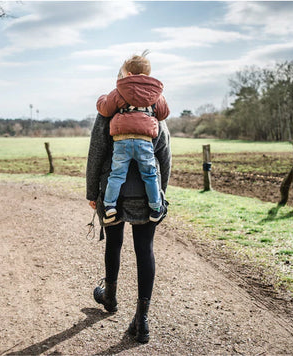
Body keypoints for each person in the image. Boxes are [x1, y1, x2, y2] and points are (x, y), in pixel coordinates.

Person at [86, 58, 171, 343]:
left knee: (114, 242)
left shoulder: (109, 109)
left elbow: (96, 153)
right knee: (145, 249)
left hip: (114, 194)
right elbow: (164, 155)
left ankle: (109, 297)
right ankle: (142, 320)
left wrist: (91, 194)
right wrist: (161, 194)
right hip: (148, 196)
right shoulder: (156, 108)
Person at [96, 52, 170, 224]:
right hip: (144, 141)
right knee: (150, 175)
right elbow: (164, 114)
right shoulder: (155, 94)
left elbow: (106, 109)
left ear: (128, 74)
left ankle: (109, 206)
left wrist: (102, 99)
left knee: (117, 175)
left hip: (122, 140)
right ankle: (155, 207)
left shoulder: (119, 90)